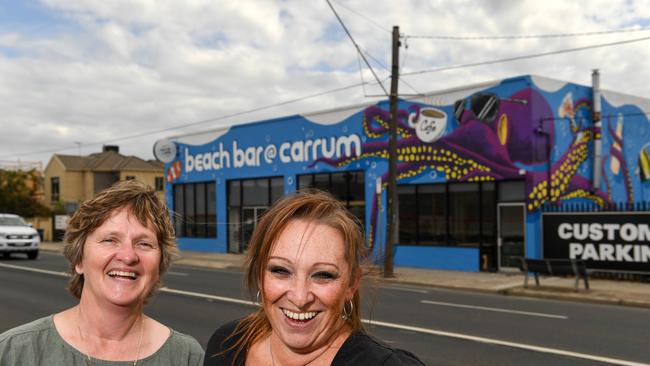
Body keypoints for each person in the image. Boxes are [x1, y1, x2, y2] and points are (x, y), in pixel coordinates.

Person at [204, 191, 424, 366]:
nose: (300, 298)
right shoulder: (227, 345)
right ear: (260, 275)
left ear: (351, 284)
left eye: (323, 275)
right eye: (280, 270)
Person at [0, 180, 204, 365]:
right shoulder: (15, 351)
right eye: (110, 240)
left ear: (159, 266)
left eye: (144, 243)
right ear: (79, 259)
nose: (128, 256)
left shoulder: (187, 357)